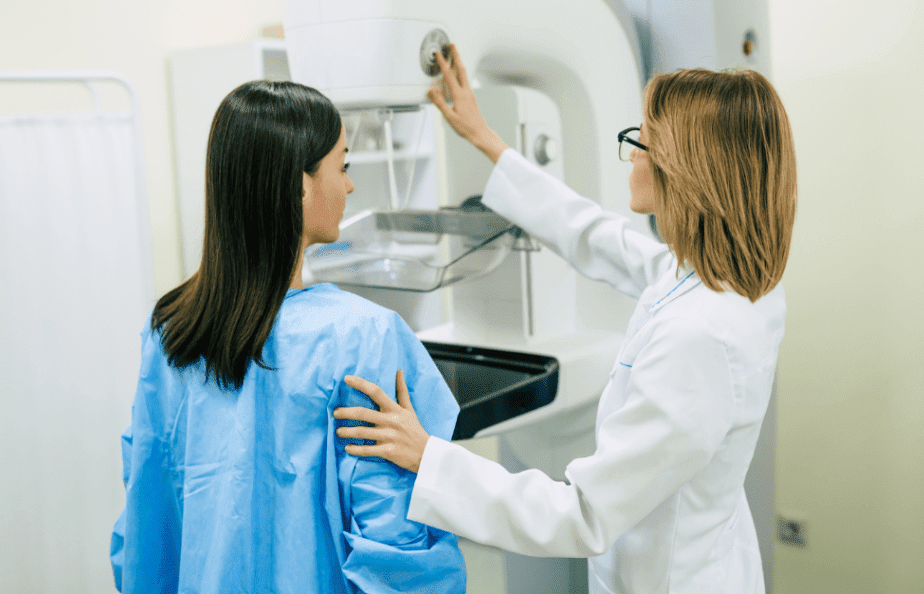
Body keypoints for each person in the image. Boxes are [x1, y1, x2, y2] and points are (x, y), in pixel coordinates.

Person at [333, 45, 796, 593]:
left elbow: (583, 513)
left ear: (685, 171)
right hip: (702, 552)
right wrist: (487, 140)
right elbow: (601, 238)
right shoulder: (735, 279)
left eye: (641, 140)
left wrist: (430, 459)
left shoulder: (699, 335)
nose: (632, 154)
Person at [110, 80, 466, 594]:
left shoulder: (169, 331)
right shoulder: (363, 336)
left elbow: (145, 523)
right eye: (341, 166)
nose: (347, 187)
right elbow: (396, 540)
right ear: (299, 185)